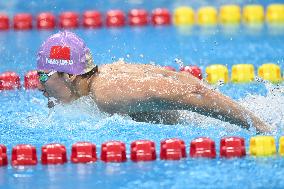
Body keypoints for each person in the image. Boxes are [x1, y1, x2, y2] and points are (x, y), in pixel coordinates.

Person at [37, 31, 271, 133]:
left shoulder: (108, 93)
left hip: (207, 126)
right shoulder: (105, 74)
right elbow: (178, 79)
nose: (39, 86)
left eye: (44, 76)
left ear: (70, 75)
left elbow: (193, 91)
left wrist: (259, 127)